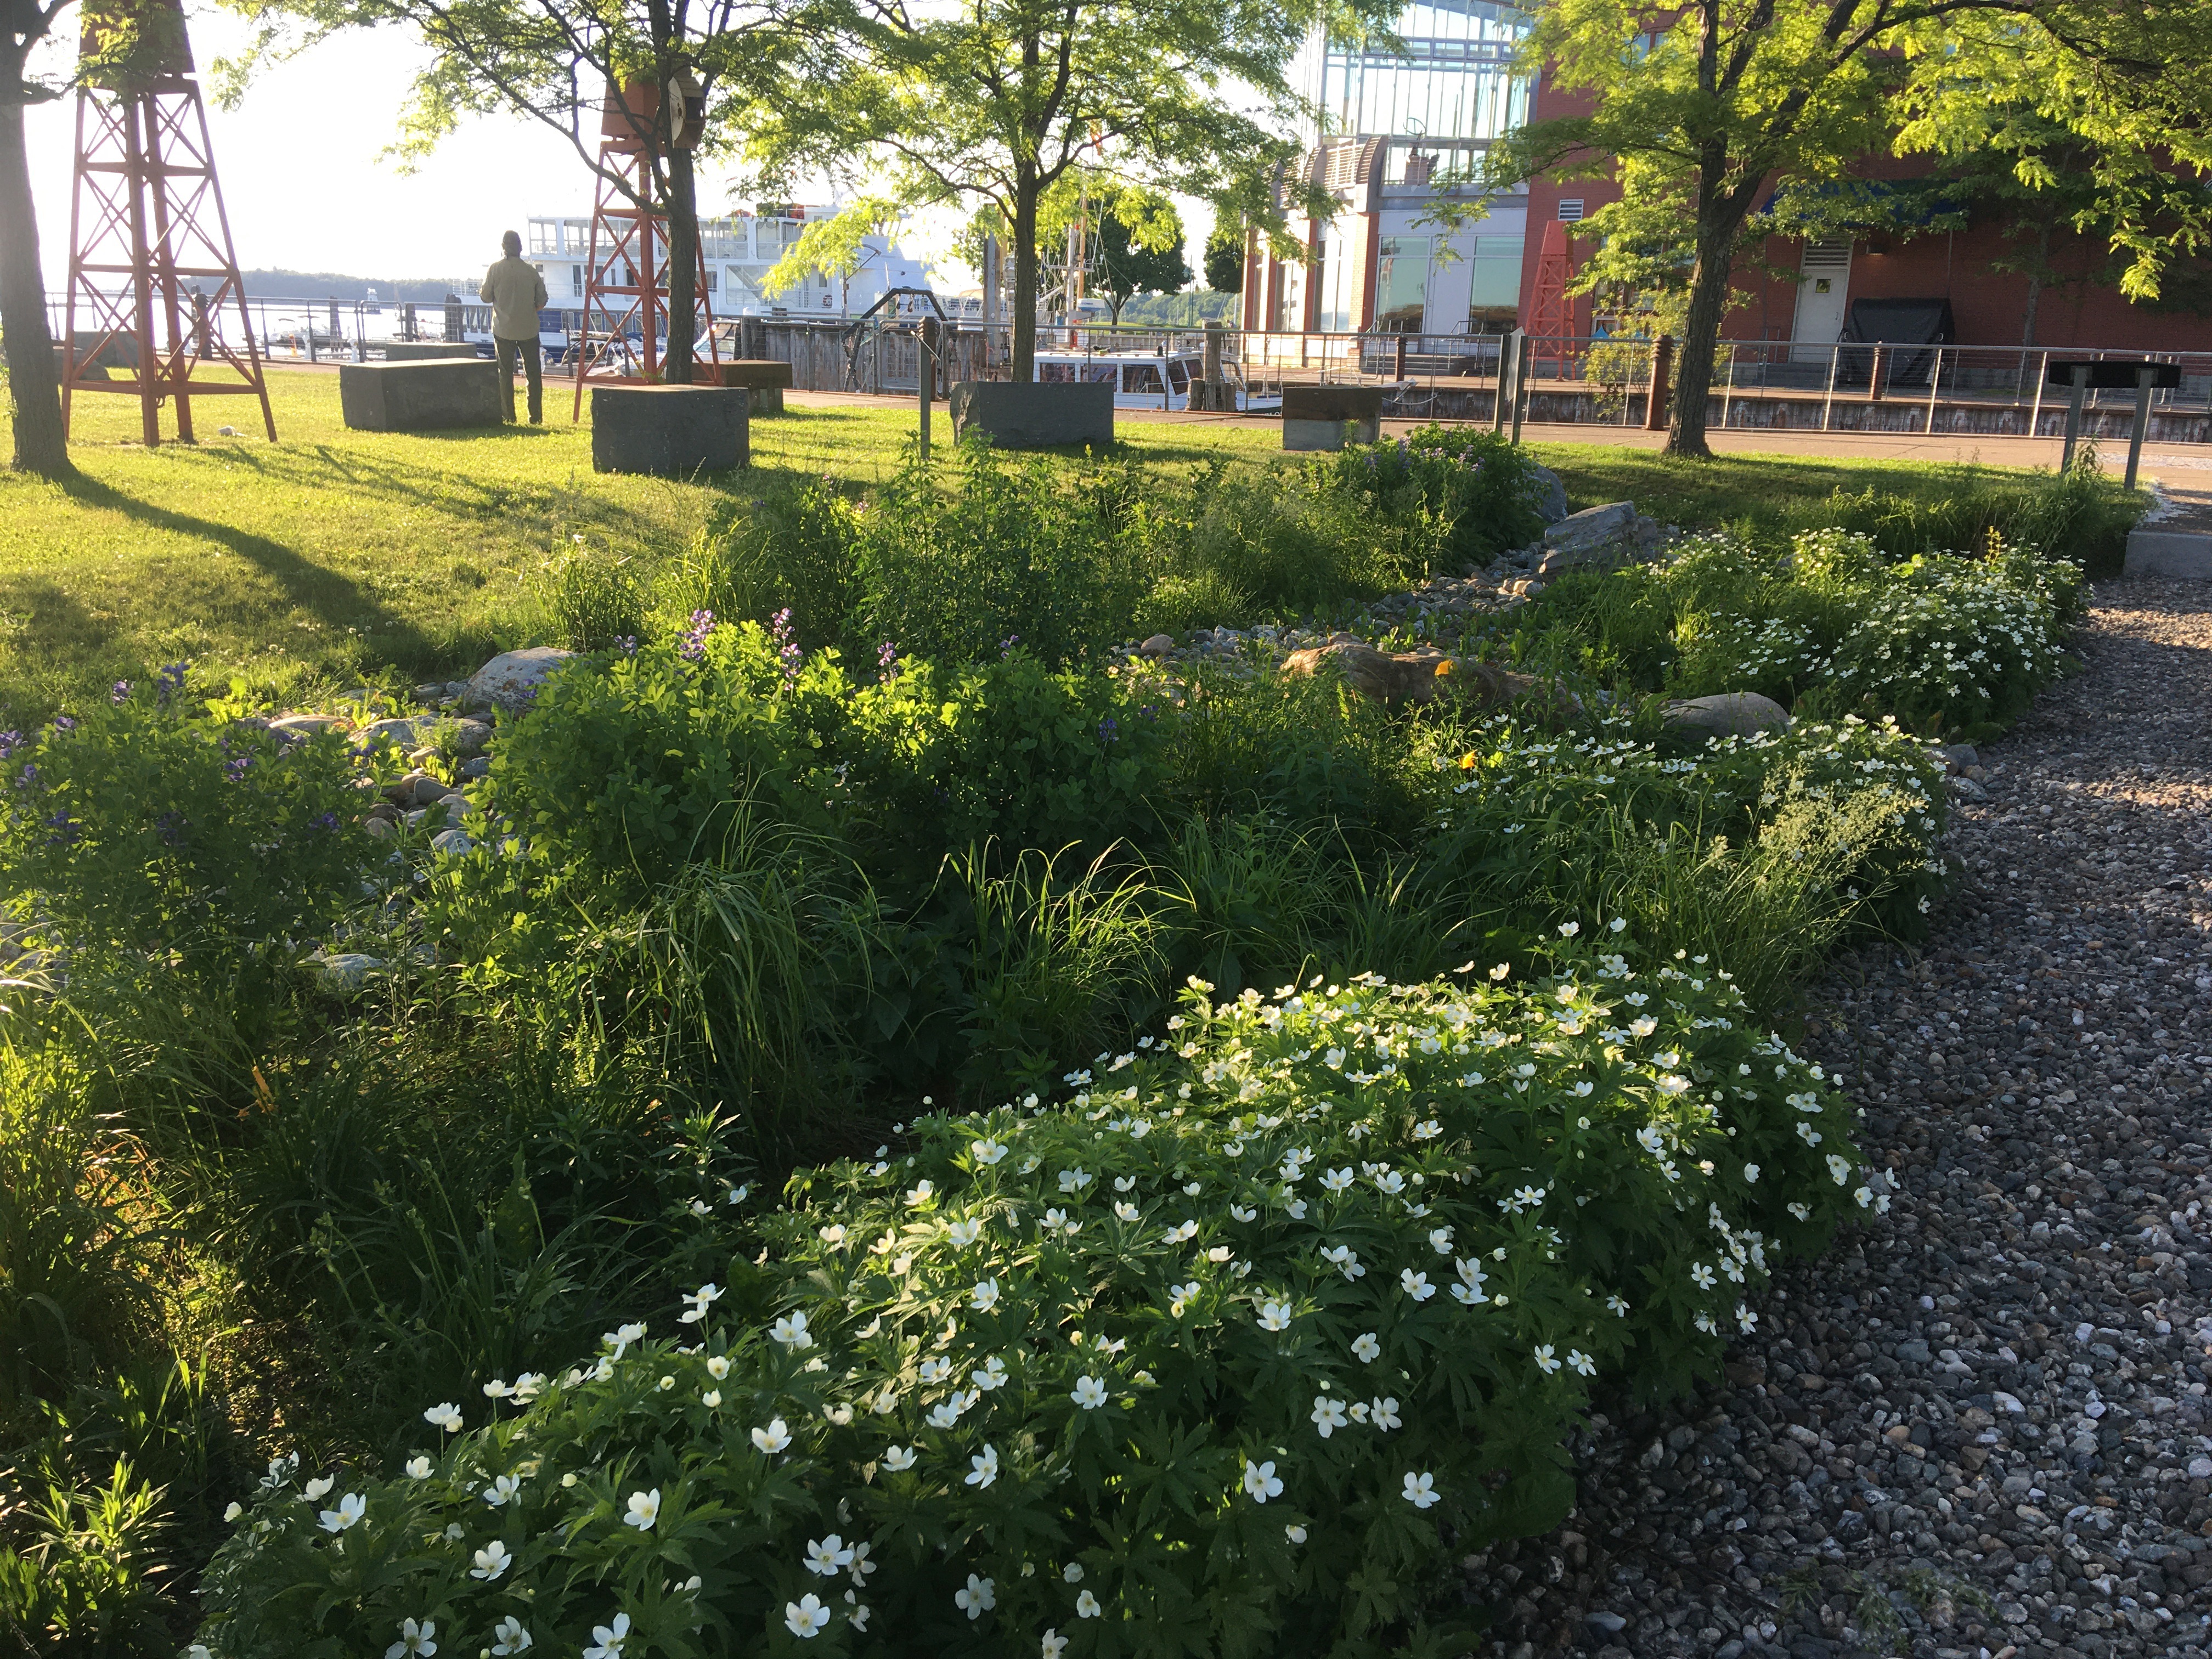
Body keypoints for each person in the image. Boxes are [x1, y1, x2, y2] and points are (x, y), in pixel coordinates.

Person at [481, 231, 549, 424]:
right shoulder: (531, 272)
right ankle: (535, 417)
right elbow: (542, 301)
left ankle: (509, 416)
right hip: (529, 329)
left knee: (505, 374)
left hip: (503, 329)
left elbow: (486, 297)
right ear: (520, 248)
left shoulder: (495, 269)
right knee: (534, 375)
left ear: (503, 247)